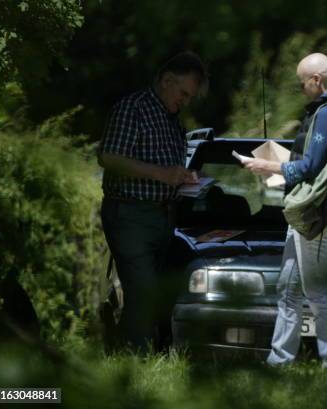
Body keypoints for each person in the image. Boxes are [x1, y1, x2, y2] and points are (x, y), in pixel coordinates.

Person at [245, 52, 327, 367]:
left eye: (302, 85)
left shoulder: (326, 113)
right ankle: (279, 359)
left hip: (314, 213)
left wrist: (266, 165)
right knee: (288, 286)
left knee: (316, 289)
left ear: (316, 80)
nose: (301, 91)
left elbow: (310, 166)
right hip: (308, 212)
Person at [98, 51, 208, 351]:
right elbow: (108, 156)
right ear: (166, 80)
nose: (185, 101)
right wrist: (162, 174)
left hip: (163, 217)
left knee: (150, 293)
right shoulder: (133, 108)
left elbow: (170, 168)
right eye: (183, 93)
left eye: (190, 97)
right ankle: (139, 361)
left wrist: (185, 178)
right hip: (130, 214)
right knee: (143, 291)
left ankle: (126, 351)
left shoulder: (172, 120)